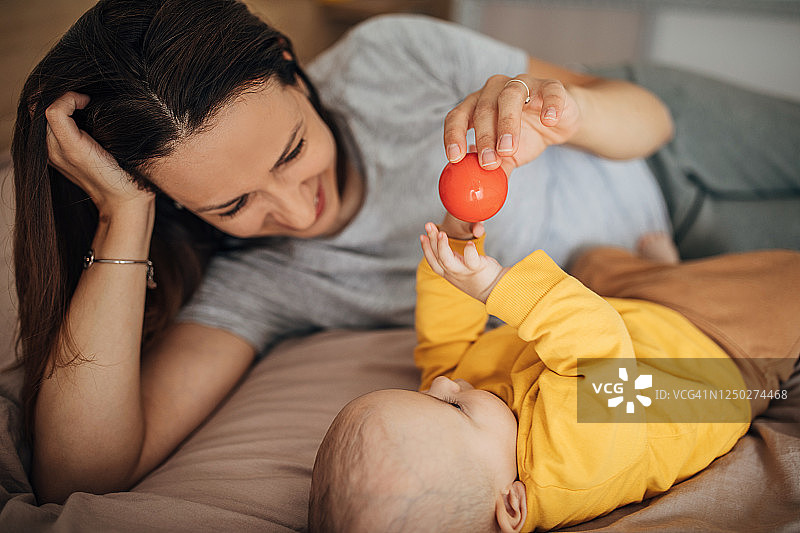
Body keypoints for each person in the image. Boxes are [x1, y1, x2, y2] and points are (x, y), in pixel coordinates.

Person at [18, 0, 793, 505]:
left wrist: (567, 110)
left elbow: (648, 123)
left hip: (652, 151)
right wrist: (124, 214)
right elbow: (82, 476)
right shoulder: (255, 284)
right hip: (679, 290)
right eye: (232, 204)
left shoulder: (388, 61)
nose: (294, 209)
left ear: (293, 69)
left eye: (292, 150)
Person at [307, 216, 800, 532]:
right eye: (450, 405)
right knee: (786, 285)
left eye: (420, 394)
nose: (441, 383)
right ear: (513, 504)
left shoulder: (462, 420)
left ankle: (665, 271)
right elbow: (600, 348)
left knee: (592, 259)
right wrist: (496, 286)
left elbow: (443, 350)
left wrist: (454, 255)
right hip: (717, 353)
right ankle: (673, 271)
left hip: (629, 313)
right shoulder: (573, 464)